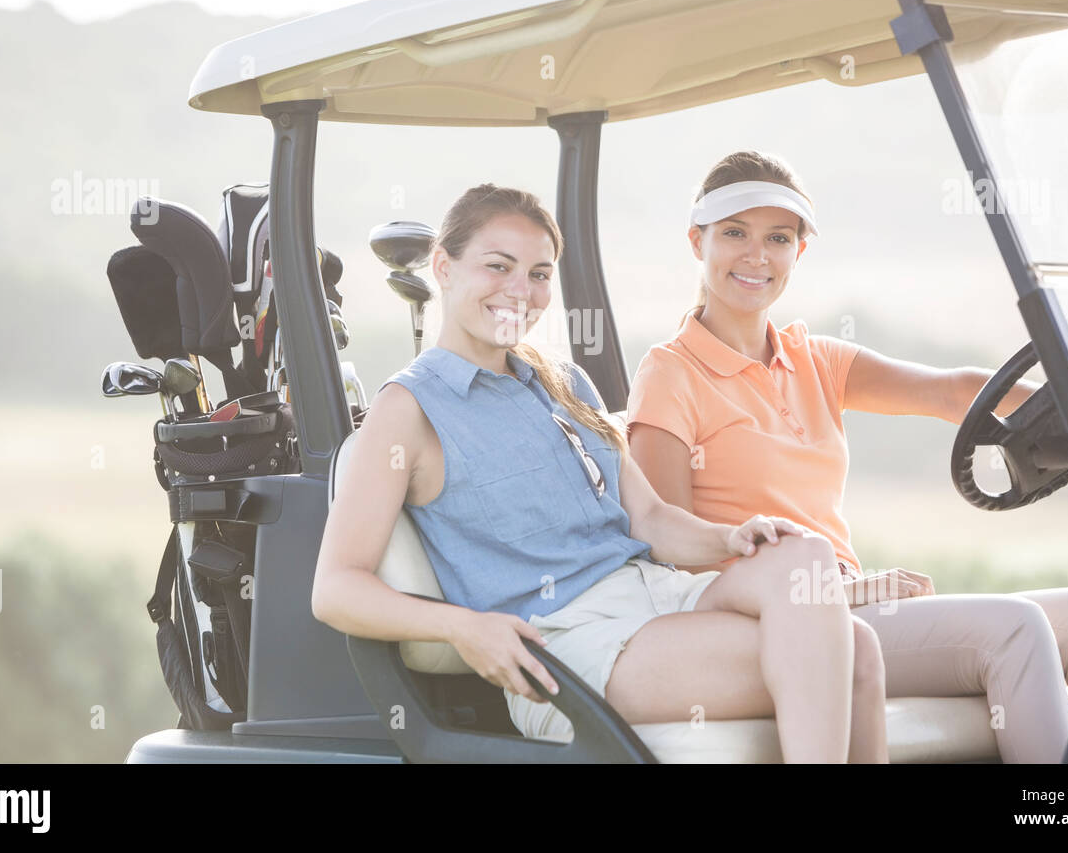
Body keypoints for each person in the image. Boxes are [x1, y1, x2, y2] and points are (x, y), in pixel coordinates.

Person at [312, 183, 889, 763]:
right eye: (498, 266)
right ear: (443, 266)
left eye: (539, 274)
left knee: (807, 558)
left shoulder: (566, 384)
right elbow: (336, 588)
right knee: (852, 655)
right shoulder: (408, 409)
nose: (521, 291)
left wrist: (728, 537)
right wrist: (461, 627)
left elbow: (650, 518)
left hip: (660, 595)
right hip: (569, 643)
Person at [626, 150, 1068, 763]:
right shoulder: (670, 373)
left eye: (778, 239)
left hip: (851, 598)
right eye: (735, 233)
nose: (757, 256)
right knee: (1015, 631)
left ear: (798, 253)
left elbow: (949, 389)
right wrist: (839, 592)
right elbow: (674, 556)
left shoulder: (814, 359)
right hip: (787, 624)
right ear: (696, 241)